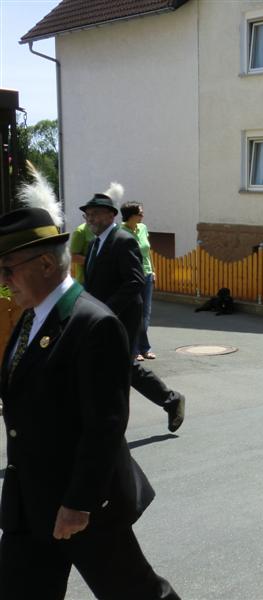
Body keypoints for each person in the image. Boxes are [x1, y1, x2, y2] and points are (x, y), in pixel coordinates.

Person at [0, 169, 179, 599]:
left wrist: (78, 504)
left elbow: (105, 425)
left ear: (46, 264)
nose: (3, 280)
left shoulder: (94, 325)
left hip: (81, 505)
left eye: (8, 269)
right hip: (30, 501)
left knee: (136, 594)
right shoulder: (32, 315)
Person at [81, 191, 185, 433]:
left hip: (122, 316)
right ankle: (169, 400)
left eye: (95, 213)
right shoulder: (95, 244)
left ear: (111, 215)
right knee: (115, 366)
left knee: (121, 366)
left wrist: (106, 310)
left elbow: (135, 281)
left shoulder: (122, 240)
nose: (90, 218)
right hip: (101, 317)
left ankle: (113, 425)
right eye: (87, 215)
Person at [121, 202, 156, 361]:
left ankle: (144, 347)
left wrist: (153, 270)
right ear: (131, 215)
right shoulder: (120, 231)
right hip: (131, 277)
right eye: (140, 213)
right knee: (134, 313)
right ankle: (134, 349)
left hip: (147, 275)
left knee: (145, 314)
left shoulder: (143, 228)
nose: (143, 215)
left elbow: (147, 252)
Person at [68, 220, 94, 285]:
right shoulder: (80, 231)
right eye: (88, 215)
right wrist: (95, 262)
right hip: (85, 280)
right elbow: (73, 257)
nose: (90, 218)